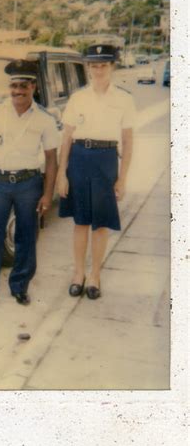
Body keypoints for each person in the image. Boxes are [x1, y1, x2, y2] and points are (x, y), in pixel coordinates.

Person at [0, 59, 59, 312]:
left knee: (26, 237)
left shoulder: (44, 119)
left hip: (29, 183)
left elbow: (52, 159)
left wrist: (47, 194)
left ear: (33, 87)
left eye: (23, 86)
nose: (18, 91)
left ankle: (20, 286)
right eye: (14, 86)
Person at [56, 44, 136, 299]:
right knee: (80, 221)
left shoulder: (124, 99)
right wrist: (61, 174)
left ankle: (95, 276)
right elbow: (67, 138)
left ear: (112, 66)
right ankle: (78, 273)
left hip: (106, 160)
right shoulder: (78, 98)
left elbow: (128, 141)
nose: (98, 70)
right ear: (88, 68)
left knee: (100, 223)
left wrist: (122, 178)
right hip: (79, 159)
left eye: (103, 65)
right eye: (93, 65)